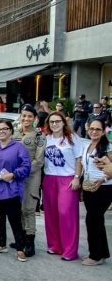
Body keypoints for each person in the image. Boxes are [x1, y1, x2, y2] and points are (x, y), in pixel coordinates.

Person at [0, 119, 32, 262]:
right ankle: (1, 244)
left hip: (11, 189)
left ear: (11, 131)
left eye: (5, 129)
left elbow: (26, 166)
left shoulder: (18, 147)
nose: (1, 132)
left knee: (15, 220)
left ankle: (20, 248)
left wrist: (13, 174)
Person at [43, 111, 83, 260]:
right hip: (50, 178)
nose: (55, 124)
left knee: (66, 214)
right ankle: (54, 245)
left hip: (67, 179)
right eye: (52, 122)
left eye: (58, 121)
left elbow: (79, 159)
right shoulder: (46, 139)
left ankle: (70, 250)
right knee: (51, 213)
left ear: (63, 122)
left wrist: (77, 177)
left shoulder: (72, 138)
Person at [12, 104, 45, 256]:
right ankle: (22, 239)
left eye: (30, 116)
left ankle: (30, 243)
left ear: (35, 119)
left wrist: (22, 171)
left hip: (31, 176)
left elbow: (38, 161)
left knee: (29, 209)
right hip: (15, 178)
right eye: (24, 116)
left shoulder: (39, 136)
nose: (26, 119)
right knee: (18, 209)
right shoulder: (14, 134)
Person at [79, 118, 112, 266]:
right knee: (97, 220)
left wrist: (103, 179)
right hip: (89, 188)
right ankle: (103, 253)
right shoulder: (87, 145)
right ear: (87, 129)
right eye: (92, 128)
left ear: (103, 131)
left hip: (104, 188)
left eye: (98, 129)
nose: (94, 131)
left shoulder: (108, 147)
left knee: (91, 220)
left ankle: (95, 256)